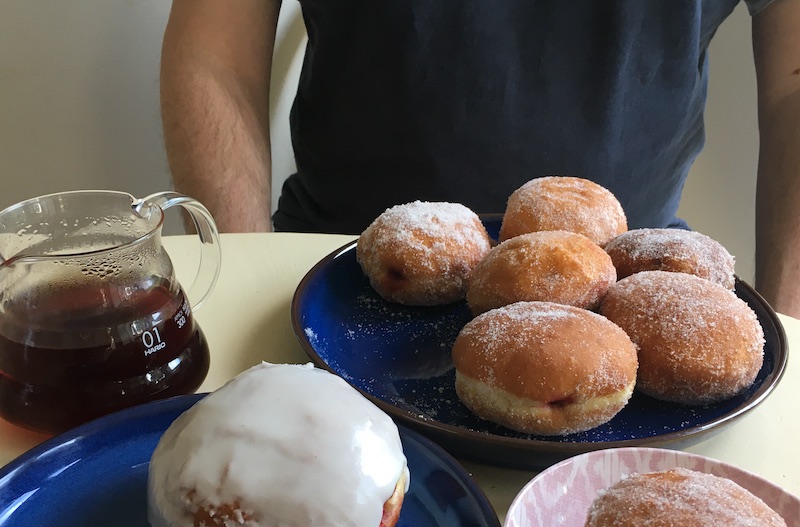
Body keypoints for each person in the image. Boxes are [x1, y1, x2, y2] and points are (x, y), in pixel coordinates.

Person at [159, 0, 800, 318]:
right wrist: (235, 278)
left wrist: (792, 330)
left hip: (632, 287)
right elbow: (216, 45)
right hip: (330, 263)